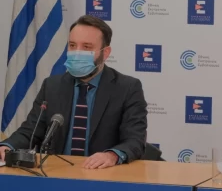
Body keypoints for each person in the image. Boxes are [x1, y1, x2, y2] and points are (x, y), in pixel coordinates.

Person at [0, 15, 148, 168]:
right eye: (72, 45)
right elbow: (30, 131)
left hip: (102, 174)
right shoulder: (52, 86)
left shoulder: (127, 88)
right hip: (57, 171)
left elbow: (135, 140)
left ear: (105, 53)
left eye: (87, 47)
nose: (77, 53)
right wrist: (7, 146)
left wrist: (112, 155)